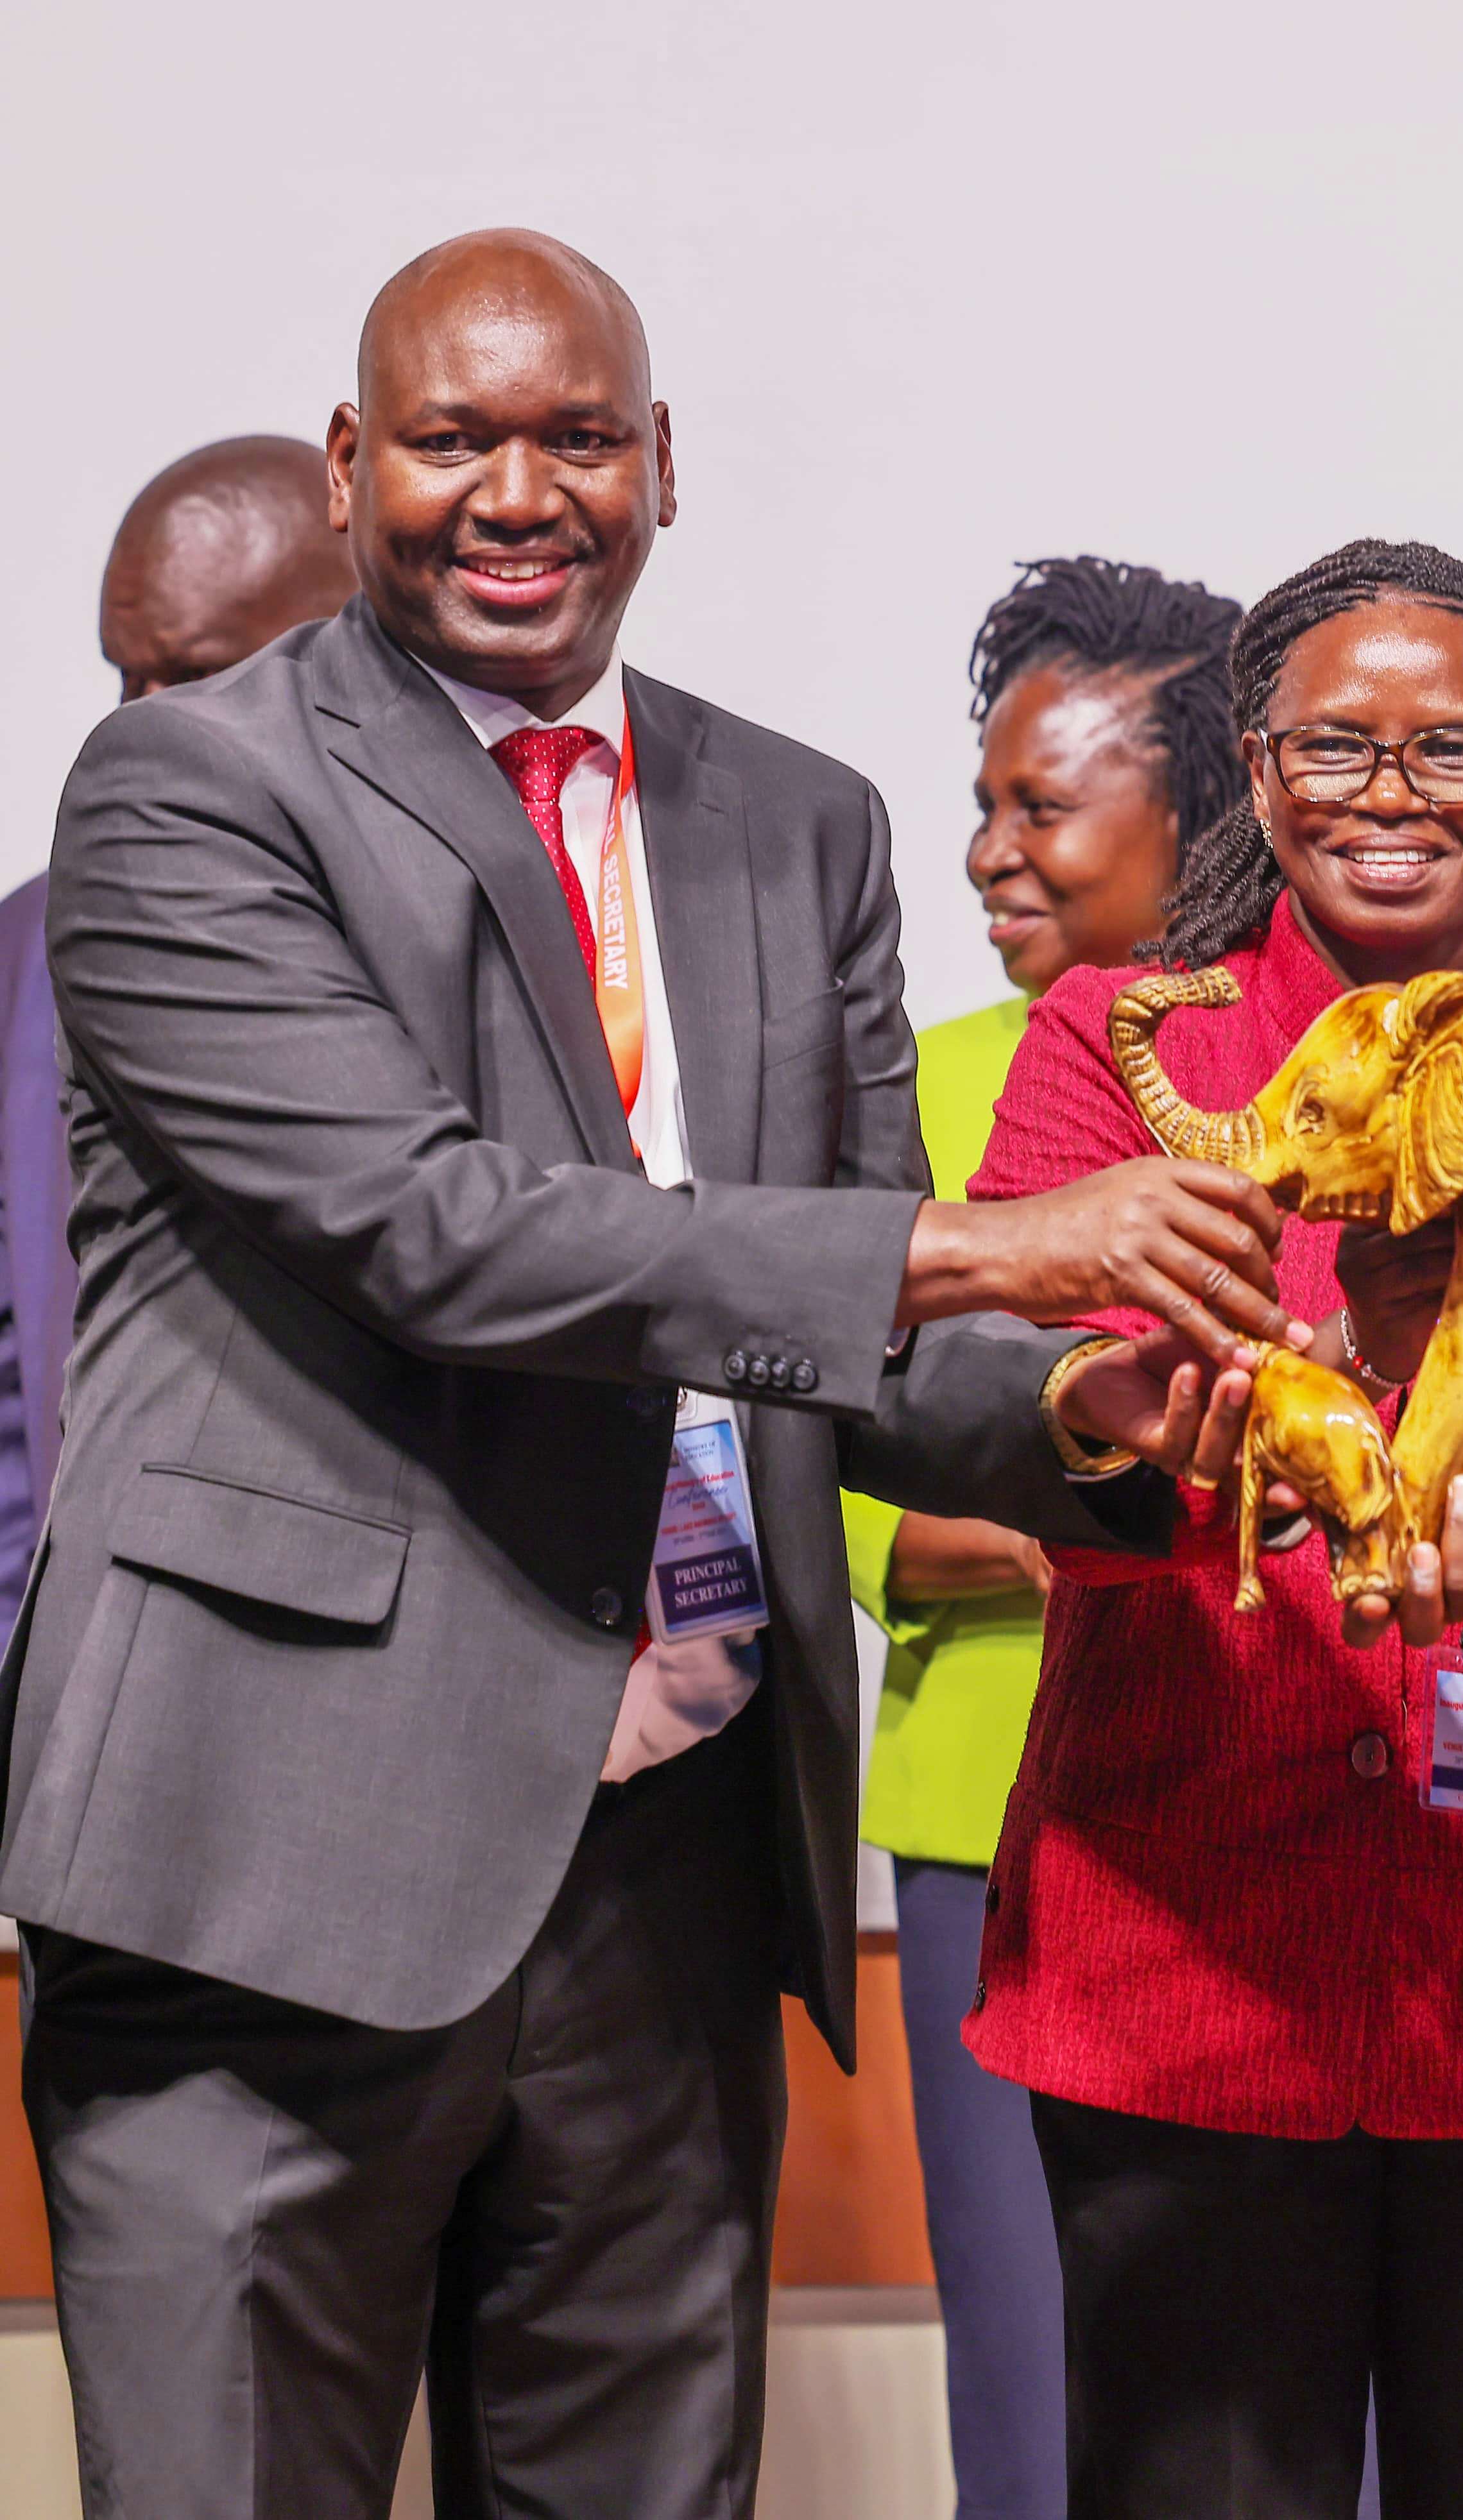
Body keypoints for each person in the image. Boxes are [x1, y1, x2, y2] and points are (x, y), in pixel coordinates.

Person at [6, 229, 1293, 2520]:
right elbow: (436, 1227)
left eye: (579, 436)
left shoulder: (796, 820)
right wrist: (987, 1237)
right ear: (348, 466)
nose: (520, 491)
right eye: (453, 439)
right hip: (272, 1852)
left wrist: (1082, 1410)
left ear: (664, 469)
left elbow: (860, 1348)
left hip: (679, 1855)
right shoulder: (190, 798)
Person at [966, 538, 1463, 2520]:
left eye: (1452, 749)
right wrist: (1200, 1426)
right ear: (1255, 766)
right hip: (1185, 1958)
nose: (1393, 794)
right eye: (1338, 745)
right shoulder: (1121, 1050)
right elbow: (1025, 1414)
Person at [842, 554, 1245, 2520]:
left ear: (1202, 816)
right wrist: (1155, 1507)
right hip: (981, 1809)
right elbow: (846, 1490)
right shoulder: (916, 1088)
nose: (991, 853)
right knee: (1035, 2394)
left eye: (1042, 809)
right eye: (984, 802)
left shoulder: (1324, 1067)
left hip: (1267, 1804)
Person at [0, 436, 357, 1630]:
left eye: (195, 680)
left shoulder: (547, 911)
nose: (131, 738)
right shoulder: (23, 955)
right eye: (122, 680)